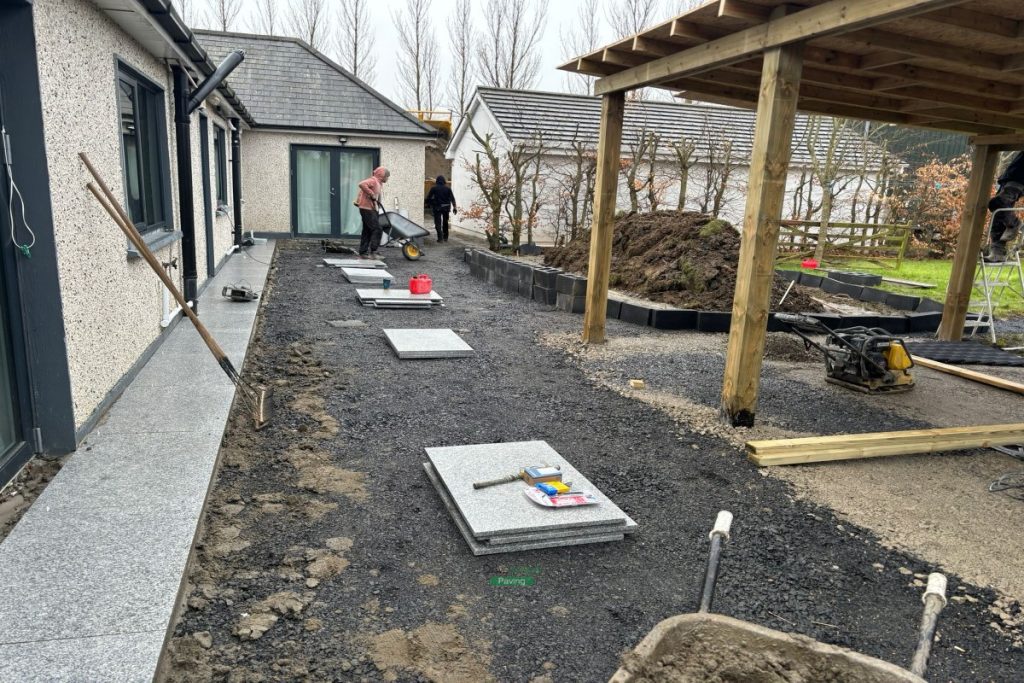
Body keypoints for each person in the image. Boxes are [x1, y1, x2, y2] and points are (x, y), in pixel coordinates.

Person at [984, 151, 1024, 263]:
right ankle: (998, 252)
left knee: (998, 203)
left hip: (1019, 178)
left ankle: (1015, 224)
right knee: (998, 213)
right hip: (1011, 176)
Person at [356, 167, 390, 258]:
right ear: (382, 175)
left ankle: (363, 252)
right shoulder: (373, 180)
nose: (387, 179)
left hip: (369, 208)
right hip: (367, 208)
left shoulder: (378, 183)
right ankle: (373, 252)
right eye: (387, 177)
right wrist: (371, 194)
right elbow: (362, 184)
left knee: (367, 230)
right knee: (377, 229)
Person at [424, 175, 457, 242]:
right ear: (444, 181)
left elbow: (429, 197)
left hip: (437, 207)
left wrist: (427, 203)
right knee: (445, 223)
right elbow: (452, 198)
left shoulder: (434, 188)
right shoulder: (448, 189)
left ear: (437, 181)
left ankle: (440, 238)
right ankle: (445, 237)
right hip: (446, 207)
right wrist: (454, 207)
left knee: (438, 223)